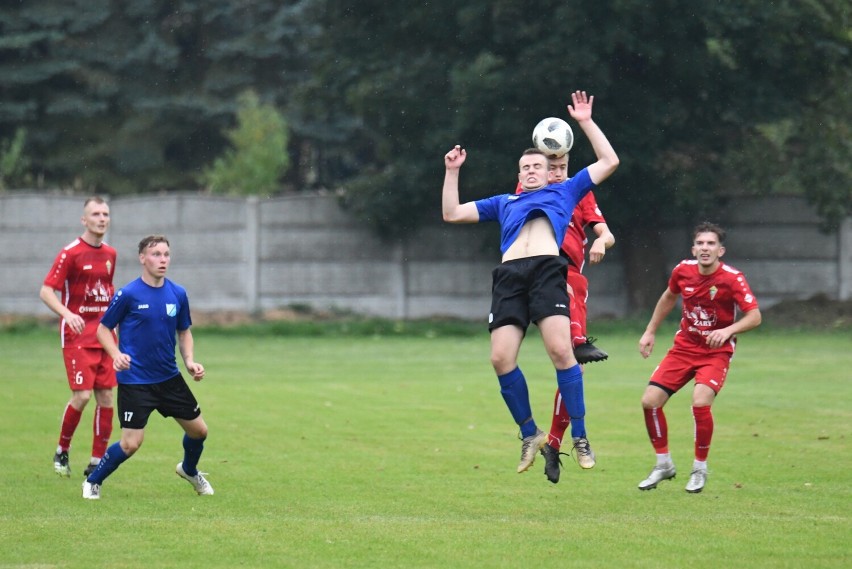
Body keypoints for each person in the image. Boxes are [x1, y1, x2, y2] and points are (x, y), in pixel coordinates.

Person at [442, 90, 619, 474]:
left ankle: (581, 437)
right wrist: (452, 172)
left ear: (552, 169)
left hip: (545, 271)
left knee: (561, 352)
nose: (533, 171)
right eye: (526, 167)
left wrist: (585, 122)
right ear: (519, 174)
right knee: (500, 358)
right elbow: (452, 213)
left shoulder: (566, 191)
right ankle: (529, 433)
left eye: (539, 165)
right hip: (508, 278)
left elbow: (610, 160)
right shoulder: (505, 201)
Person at [82, 234, 213, 499]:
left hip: (169, 379)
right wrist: (116, 354)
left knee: (199, 431)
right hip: (135, 381)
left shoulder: (178, 293)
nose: (162, 259)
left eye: (166, 254)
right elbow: (103, 329)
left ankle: (189, 469)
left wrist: (189, 361)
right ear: (143, 258)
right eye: (156, 254)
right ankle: (93, 481)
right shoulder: (128, 294)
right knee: (131, 444)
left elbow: (184, 331)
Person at [636, 222, 761, 493]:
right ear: (694, 248)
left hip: (716, 353)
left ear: (721, 250)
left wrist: (728, 330)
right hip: (684, 348)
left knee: (700, 401)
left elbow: (755, 316)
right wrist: (650, 331)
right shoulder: (683, 271)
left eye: (711, 244)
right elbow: (669, 296)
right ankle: (663, 464)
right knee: (650, 401)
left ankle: (699, 468)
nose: (705, 248)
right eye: (701, 243)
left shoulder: (732, 278)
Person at [540, 174, 615, 483]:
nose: (555, 171)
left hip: (570, 274)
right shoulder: (531, 188)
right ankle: (578, 340)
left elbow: (606, 232)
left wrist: (601, 240)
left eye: (562, 164)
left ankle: (555, 444)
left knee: (574, 370)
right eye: (551, 164)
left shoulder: (580, 193)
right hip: (539, 271)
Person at [40, 196, 117, 478]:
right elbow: (47, 290)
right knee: (82, 396)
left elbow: (106, 291)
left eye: (106, 214)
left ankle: (98, 460)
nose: (102, 218)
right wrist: (67, 314)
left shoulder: (110, 253)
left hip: (104, 336)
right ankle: (62, 450)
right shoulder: (70, 253)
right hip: (77, 337)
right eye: (96, 214)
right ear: (84, 220)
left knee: (107, 397)